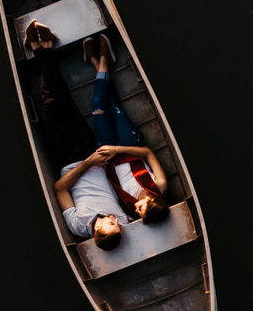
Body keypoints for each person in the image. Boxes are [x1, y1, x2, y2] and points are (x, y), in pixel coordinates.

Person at [24, 21, 170, 252]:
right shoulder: (125, 219)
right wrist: (97, 159)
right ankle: (67, 56)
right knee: (72, 104)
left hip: (69, 159)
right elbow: (148, 224)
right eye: (117, 223)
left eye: (111, 223)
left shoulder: (78, 226)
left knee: (52, 106)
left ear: (98, 230)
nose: (116, 218)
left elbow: (60, 189)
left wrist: (88, 164)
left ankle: (44, 52)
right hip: (97, 151)